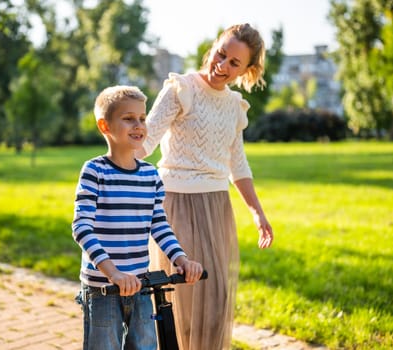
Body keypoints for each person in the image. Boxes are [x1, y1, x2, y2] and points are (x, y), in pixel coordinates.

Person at [135, 23, 275, 350]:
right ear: (213, 47)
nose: (222, 66)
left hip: (216, 208)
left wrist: (257, 213)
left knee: (214, 301)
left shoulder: (235, 107)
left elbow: (237, 164)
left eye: (234, 63)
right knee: (179, 299)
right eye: (221, 54)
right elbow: (148, 139)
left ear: (247, 70)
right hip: (175, 204)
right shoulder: (180, 89)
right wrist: (114, 166)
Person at [72, 85, 204, 350]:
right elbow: (81, 227)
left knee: (144, 346)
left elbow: (159, 225)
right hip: (103, 289)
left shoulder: (149, 175)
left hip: (140, 284)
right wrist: (113, 274)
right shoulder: (95, 171)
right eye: (128, 118)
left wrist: (181, 259)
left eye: (142, 118)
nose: (139, 125)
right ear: (104, 126)